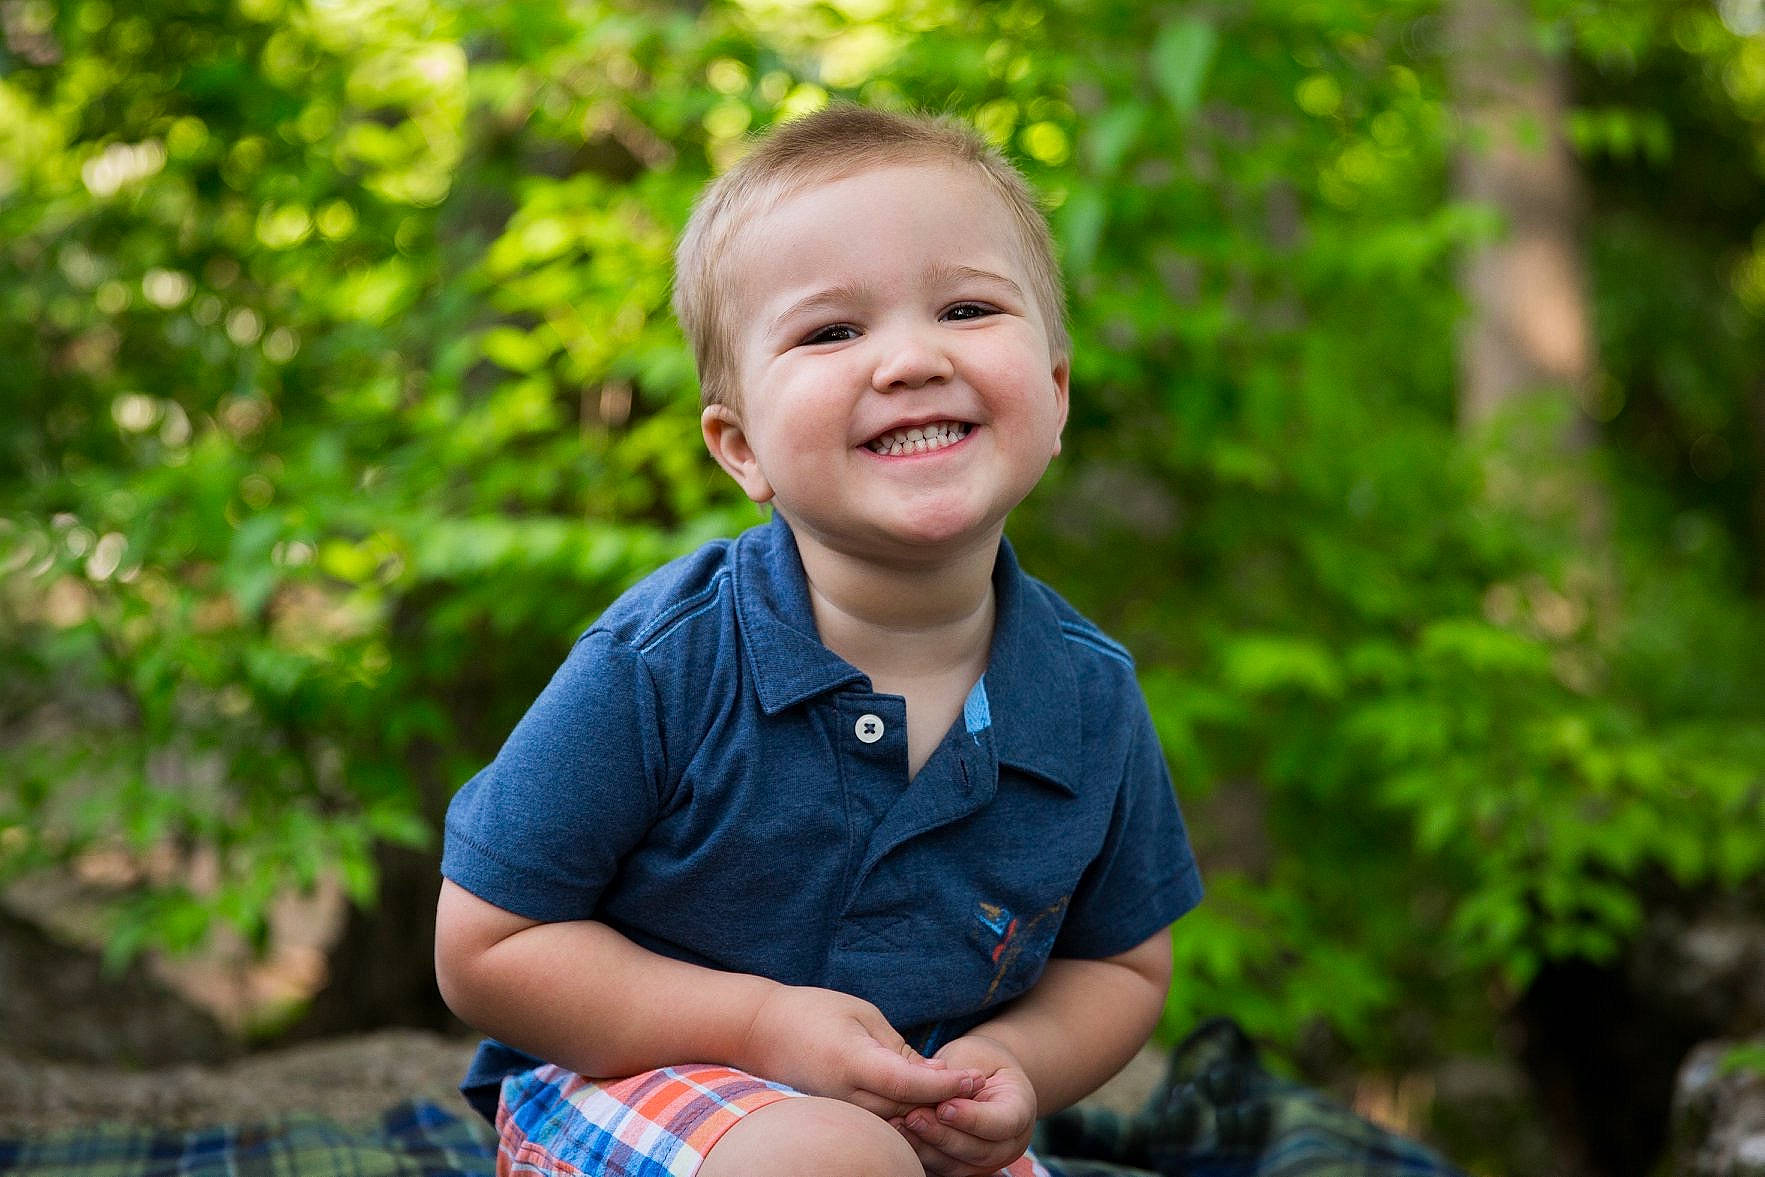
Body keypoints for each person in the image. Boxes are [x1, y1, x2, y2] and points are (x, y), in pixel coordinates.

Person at [434, 104, 1203, 1177]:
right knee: (828, 1162)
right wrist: (760, 1027)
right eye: (832, 332)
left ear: (1058, 391)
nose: (909, 358)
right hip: (641, 1071)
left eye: (967, 307)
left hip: (915, 1112)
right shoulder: (666, 661)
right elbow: (486, 947)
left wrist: (1010, 1065)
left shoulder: (1083, 696)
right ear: (740, 445)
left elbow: (1121, 964)